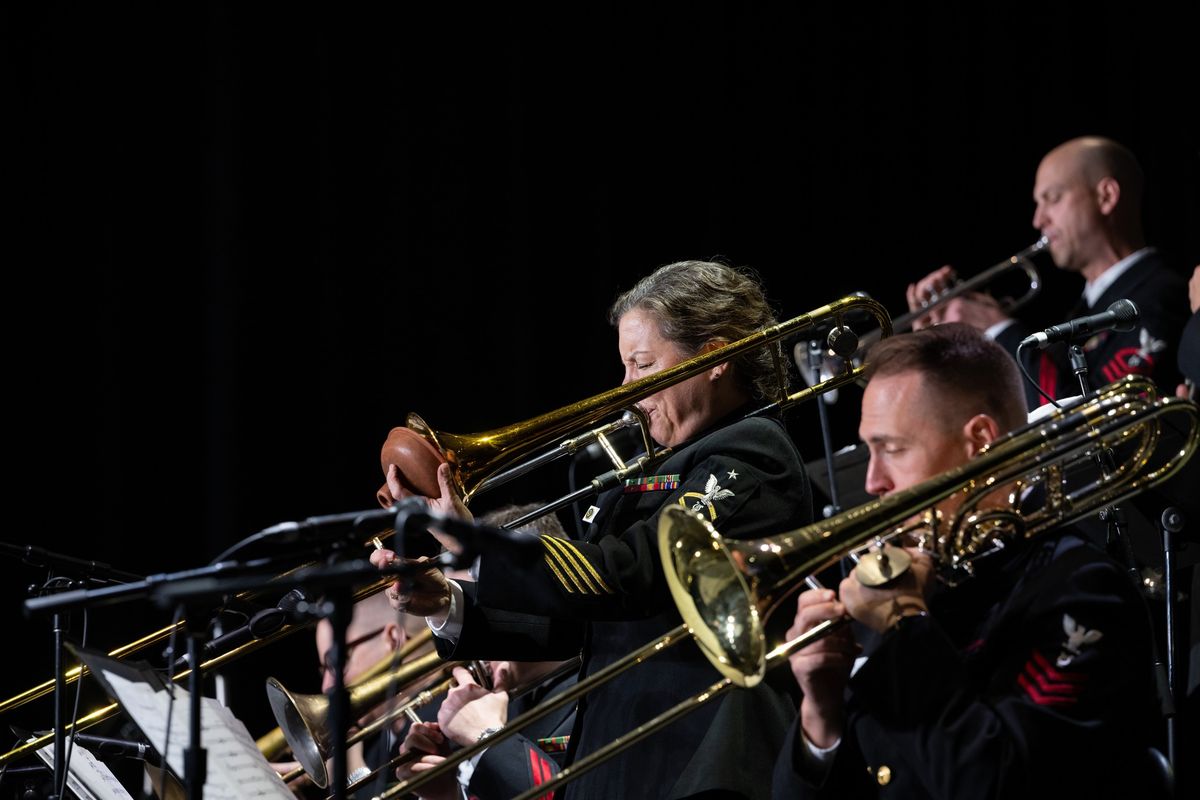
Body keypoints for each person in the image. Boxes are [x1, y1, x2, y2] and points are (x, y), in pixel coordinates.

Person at [371, 259, 815, 800]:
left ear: (715, 356)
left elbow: (638, 572)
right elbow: (578, 621)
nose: (626, 390)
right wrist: (448, 602)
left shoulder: (753, 449)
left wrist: (477, 542)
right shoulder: (645, 467)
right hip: (616, 765)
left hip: (696, 763)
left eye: (643, 365)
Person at [772, 323, 1167, 799]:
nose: (873, 482)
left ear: (979, 439)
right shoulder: (912, 589)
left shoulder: (1081, 588)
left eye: (892, 449)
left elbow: (996, 782)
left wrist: (903, 623)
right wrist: (821, 715)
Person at [906, 135, 1189, 410]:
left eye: (1052, 198)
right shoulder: (1082, 310)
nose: (1038, 219)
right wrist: (947, 347)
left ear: (1106, 196)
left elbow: (1088, 421)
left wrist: (997, 327)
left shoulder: (1162, 296)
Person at [390, 503, 581, 800]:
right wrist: (445, 793)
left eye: (473, 598)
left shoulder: (592, 693)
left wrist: (488, 739)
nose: (467, 623)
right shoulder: (504, 701)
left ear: (532, 592)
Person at [271, 590, 429, 798]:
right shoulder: (377, 753)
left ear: (394, 640)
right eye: (323, 671)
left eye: (338, 662)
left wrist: (348, 769)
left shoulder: (450, 715)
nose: (327, 686)